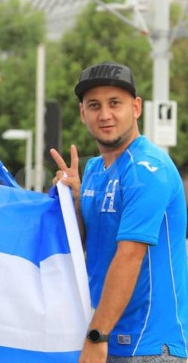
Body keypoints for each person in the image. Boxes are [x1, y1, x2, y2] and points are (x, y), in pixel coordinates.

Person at [50, 62, 188, 362]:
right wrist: (74, 199)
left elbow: (129, 255)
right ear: (82, 113)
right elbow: (89, 247)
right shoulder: (95, 169)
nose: (105, 115)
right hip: (108, 339)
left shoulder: (149, 168)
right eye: (94, 105)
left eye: (115, 103)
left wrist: (96, 335)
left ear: (136, 107)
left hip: (149, 346)